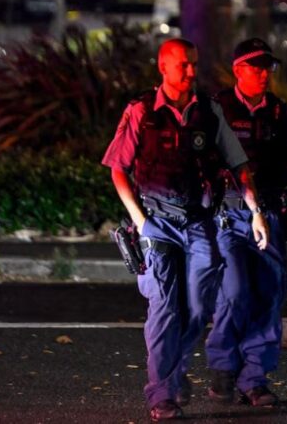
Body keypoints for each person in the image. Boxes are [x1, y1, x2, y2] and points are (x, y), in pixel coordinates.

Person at [102, 38, 269, 421]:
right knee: (164, 308)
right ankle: (162, 393)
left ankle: (174, 372)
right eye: (184, 65)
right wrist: (141, 222)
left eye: (194, 63)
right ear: (164, 67)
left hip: (198, 222)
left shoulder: (208, 111)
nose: (192, 71)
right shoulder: (142, 111)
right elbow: (118, 169)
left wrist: (255, 211)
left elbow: (238, 164)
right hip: (157, 222)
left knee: (197, 307)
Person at [204, 37, 287, 407]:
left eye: (267, 67)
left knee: (270, 293)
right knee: (235, 291)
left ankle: (254, 378)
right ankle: (224, 366)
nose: (264, 73)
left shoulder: (282, 114)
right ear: (238, 70)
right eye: (256, 67)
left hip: (270, 213)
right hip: (228, 213)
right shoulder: (216, 109)